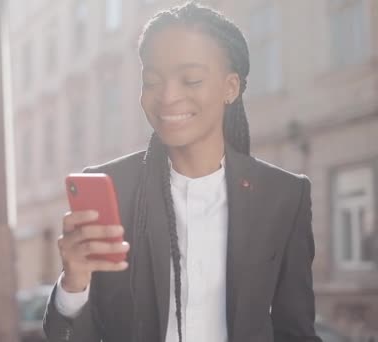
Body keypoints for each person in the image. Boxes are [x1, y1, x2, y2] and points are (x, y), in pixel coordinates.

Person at [43, 3, 322, 342]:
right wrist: (74, 283)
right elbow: (68, 336)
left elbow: (297, 331)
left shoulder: (283, 196)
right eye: (152, 80)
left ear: (230, 87)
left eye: (191, 79)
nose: (168, 96)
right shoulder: (115, 190)